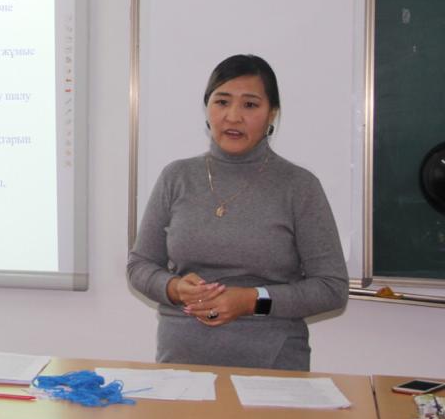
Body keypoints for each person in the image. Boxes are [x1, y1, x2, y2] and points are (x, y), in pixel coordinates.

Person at [126, 54, 348, 371]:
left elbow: (331, 288)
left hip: (273, 367)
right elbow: (140, 265)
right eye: (222, 102)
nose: (233, 116)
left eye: (250, 105)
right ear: (207, 108)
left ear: (272, 113)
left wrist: (251, 300)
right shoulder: (177, 177)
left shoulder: (299, 186)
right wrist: (174, 289)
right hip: (181, 364)